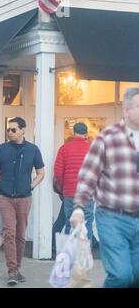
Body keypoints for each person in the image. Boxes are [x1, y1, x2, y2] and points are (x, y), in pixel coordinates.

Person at [70, 88, 139, 288]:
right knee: (121, 275)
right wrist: (79, 207)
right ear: (126, 111)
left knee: (136, 277)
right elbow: (88, 175)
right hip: (112, 218)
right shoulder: (107, 137)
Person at [0, 117, 45, 286]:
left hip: (24, 198)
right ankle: (12, 270)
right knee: (9, 233)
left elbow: (41, 173)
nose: (10, 132)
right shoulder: (2, 148)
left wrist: (30, 187)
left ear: (23, 130)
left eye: (13, 129)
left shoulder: (33, 149)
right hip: (5, 197)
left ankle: (18, 268)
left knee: (21, 235)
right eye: (8, 129)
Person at [54, 123, 92, 242]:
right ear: (86, 134)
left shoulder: (64, 148)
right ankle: (85, 254)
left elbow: (58, 173)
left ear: (73, 133)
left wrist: (62, 188)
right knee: (87, 224)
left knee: (69, 223)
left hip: (69, 192)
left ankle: (69, 254)